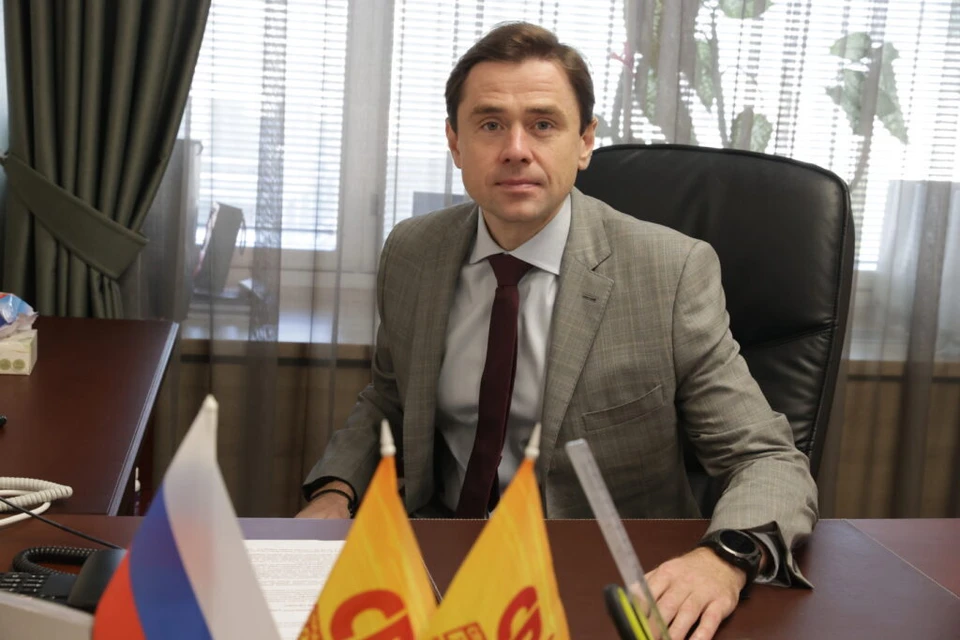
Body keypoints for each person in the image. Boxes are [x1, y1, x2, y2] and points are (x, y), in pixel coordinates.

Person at [297, 21, 817, 640]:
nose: (516, 148)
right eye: (490, 124)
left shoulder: (670, 272)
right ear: (455, 142)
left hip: (606, 574)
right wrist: (336, 490)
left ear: (585, 141)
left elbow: (765, 458)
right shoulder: (413, 252)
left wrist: (721, 560)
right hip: (439, 558)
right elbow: (389, 397)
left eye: (543, 124)